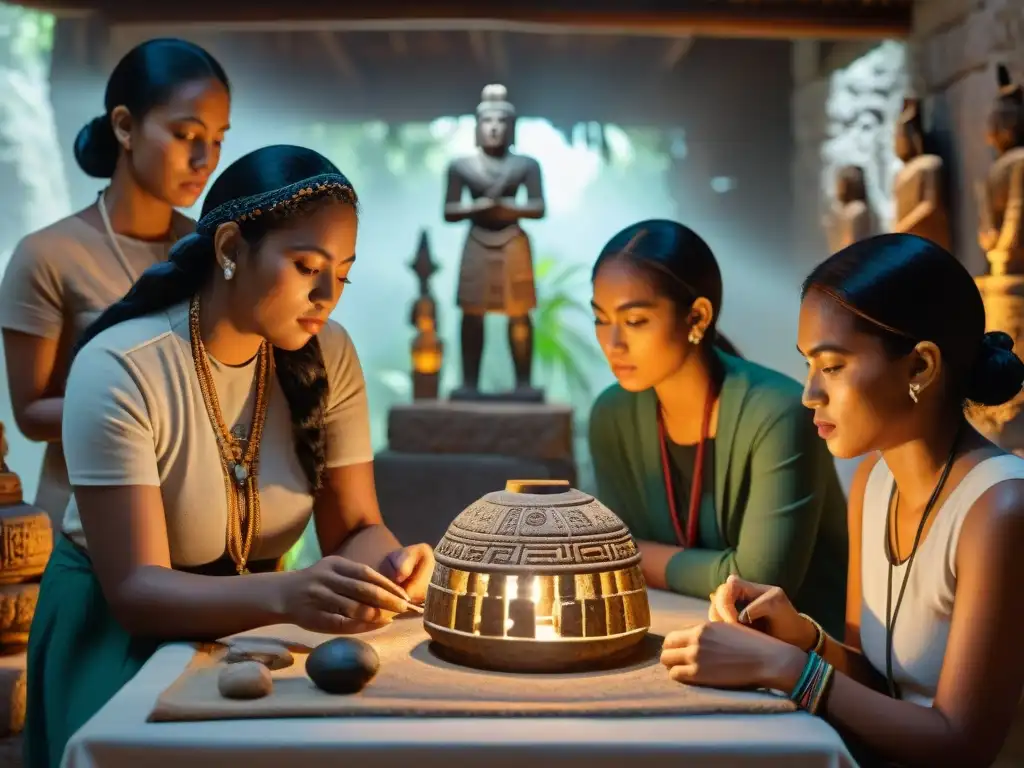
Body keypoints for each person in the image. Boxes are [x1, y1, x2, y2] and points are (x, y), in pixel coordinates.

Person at [24, 145, 436, 768]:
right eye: (306, 265)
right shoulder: (120, 367)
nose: (328, 295)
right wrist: (289, 594)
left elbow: (354, 528)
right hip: (115, 635)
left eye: (342, 273)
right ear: (228, 249)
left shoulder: (330, 354)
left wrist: (391, 566)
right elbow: (136, 592)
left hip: (257, 628)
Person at [665, 233, 1024, 767]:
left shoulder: (999, 511)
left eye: (832, 366)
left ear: (920, 367)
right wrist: (802, 637)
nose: (810, 392)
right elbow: (879, 682)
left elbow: (960, 743)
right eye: (809, 364)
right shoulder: (873, 483)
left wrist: (784, 668)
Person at [0, 38, 231, 526]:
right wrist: (150, 401)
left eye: (217, 139)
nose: (204, 159)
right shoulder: (46, 256)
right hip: (81, 519)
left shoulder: (214, 251)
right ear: (125, 126)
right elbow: (30, 412)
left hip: (196, 523)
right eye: (186, 133)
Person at [588, 219, 849, 638]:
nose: (612, 342)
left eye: (635, 321)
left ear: (697, 316)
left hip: (804, 657)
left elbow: (758, 584)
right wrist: (632, 555)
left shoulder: (778, 412)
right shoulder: (612, 414)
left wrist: (638, 556)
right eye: (601, 318)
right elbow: (616, 555)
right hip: (674, 632)